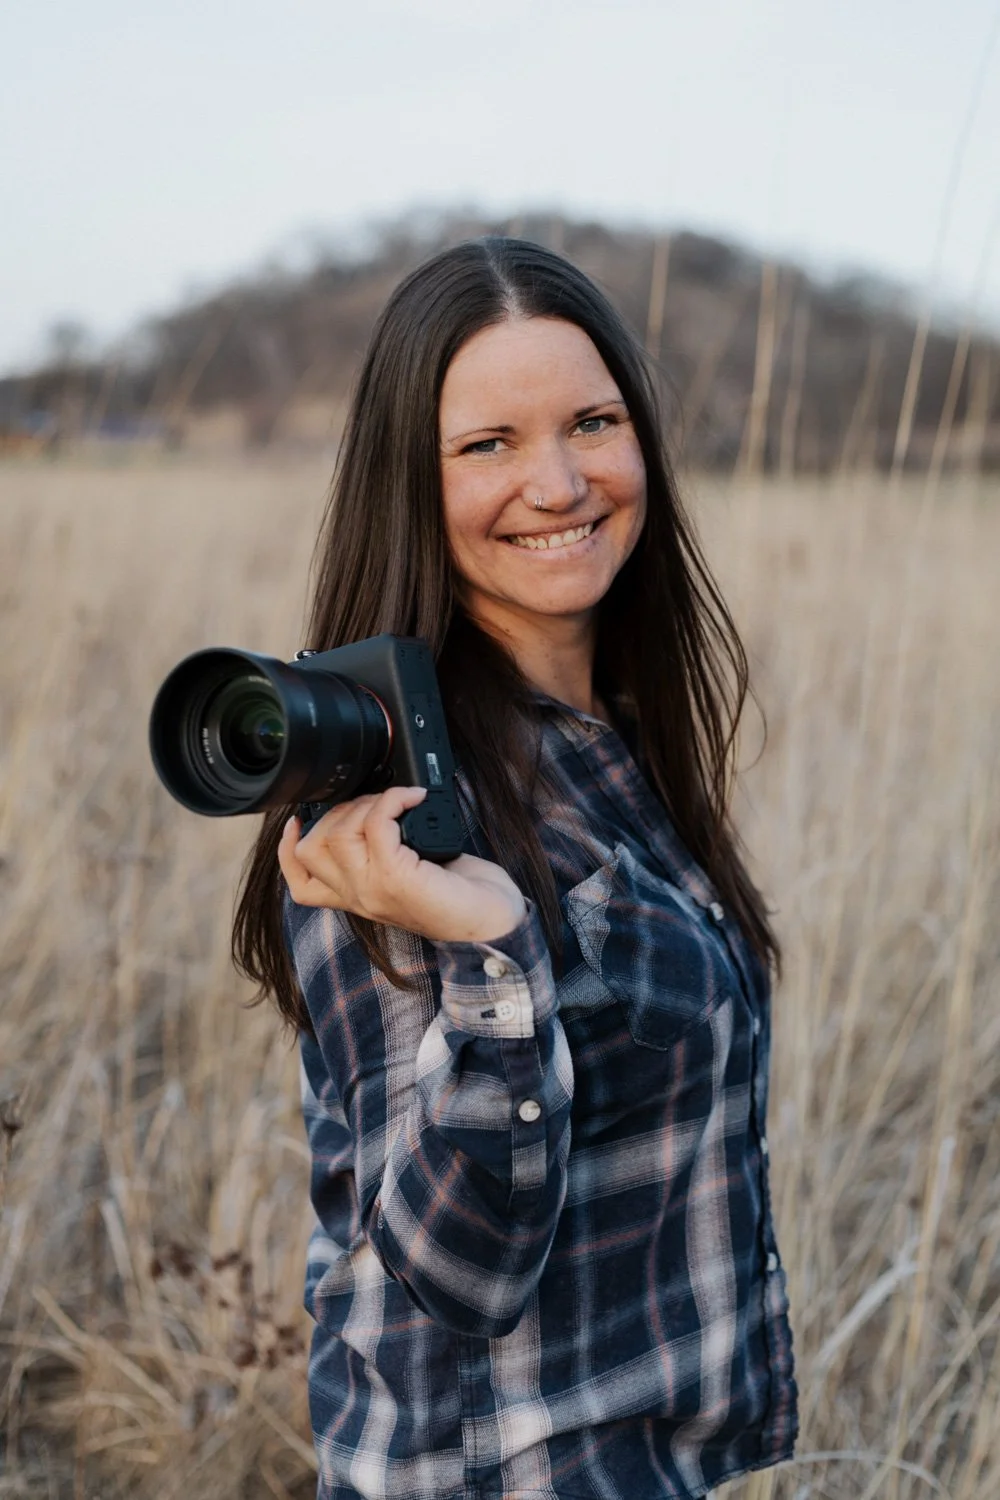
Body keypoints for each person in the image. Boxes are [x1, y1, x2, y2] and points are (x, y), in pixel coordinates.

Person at [234, 238, 797, 1500]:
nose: (558, 481)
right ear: (411, 484)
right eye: (487, 444)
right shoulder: (381, 814)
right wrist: (494, 960)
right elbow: (458, 1272)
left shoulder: (619, 743)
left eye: (592, 422)